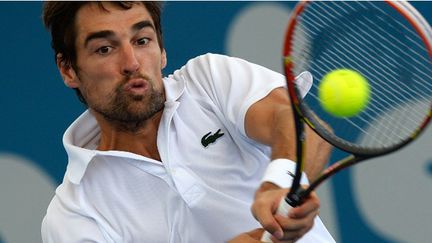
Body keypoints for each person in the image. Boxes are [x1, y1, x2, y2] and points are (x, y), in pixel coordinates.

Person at [41, 2, 335, 242]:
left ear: (162, 50)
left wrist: (281, 183)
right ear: (68, 69)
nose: (131, 63)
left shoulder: (209, 80)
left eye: (142, 40)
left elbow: (302, 126)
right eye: (105, 48)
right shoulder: (73, 214)